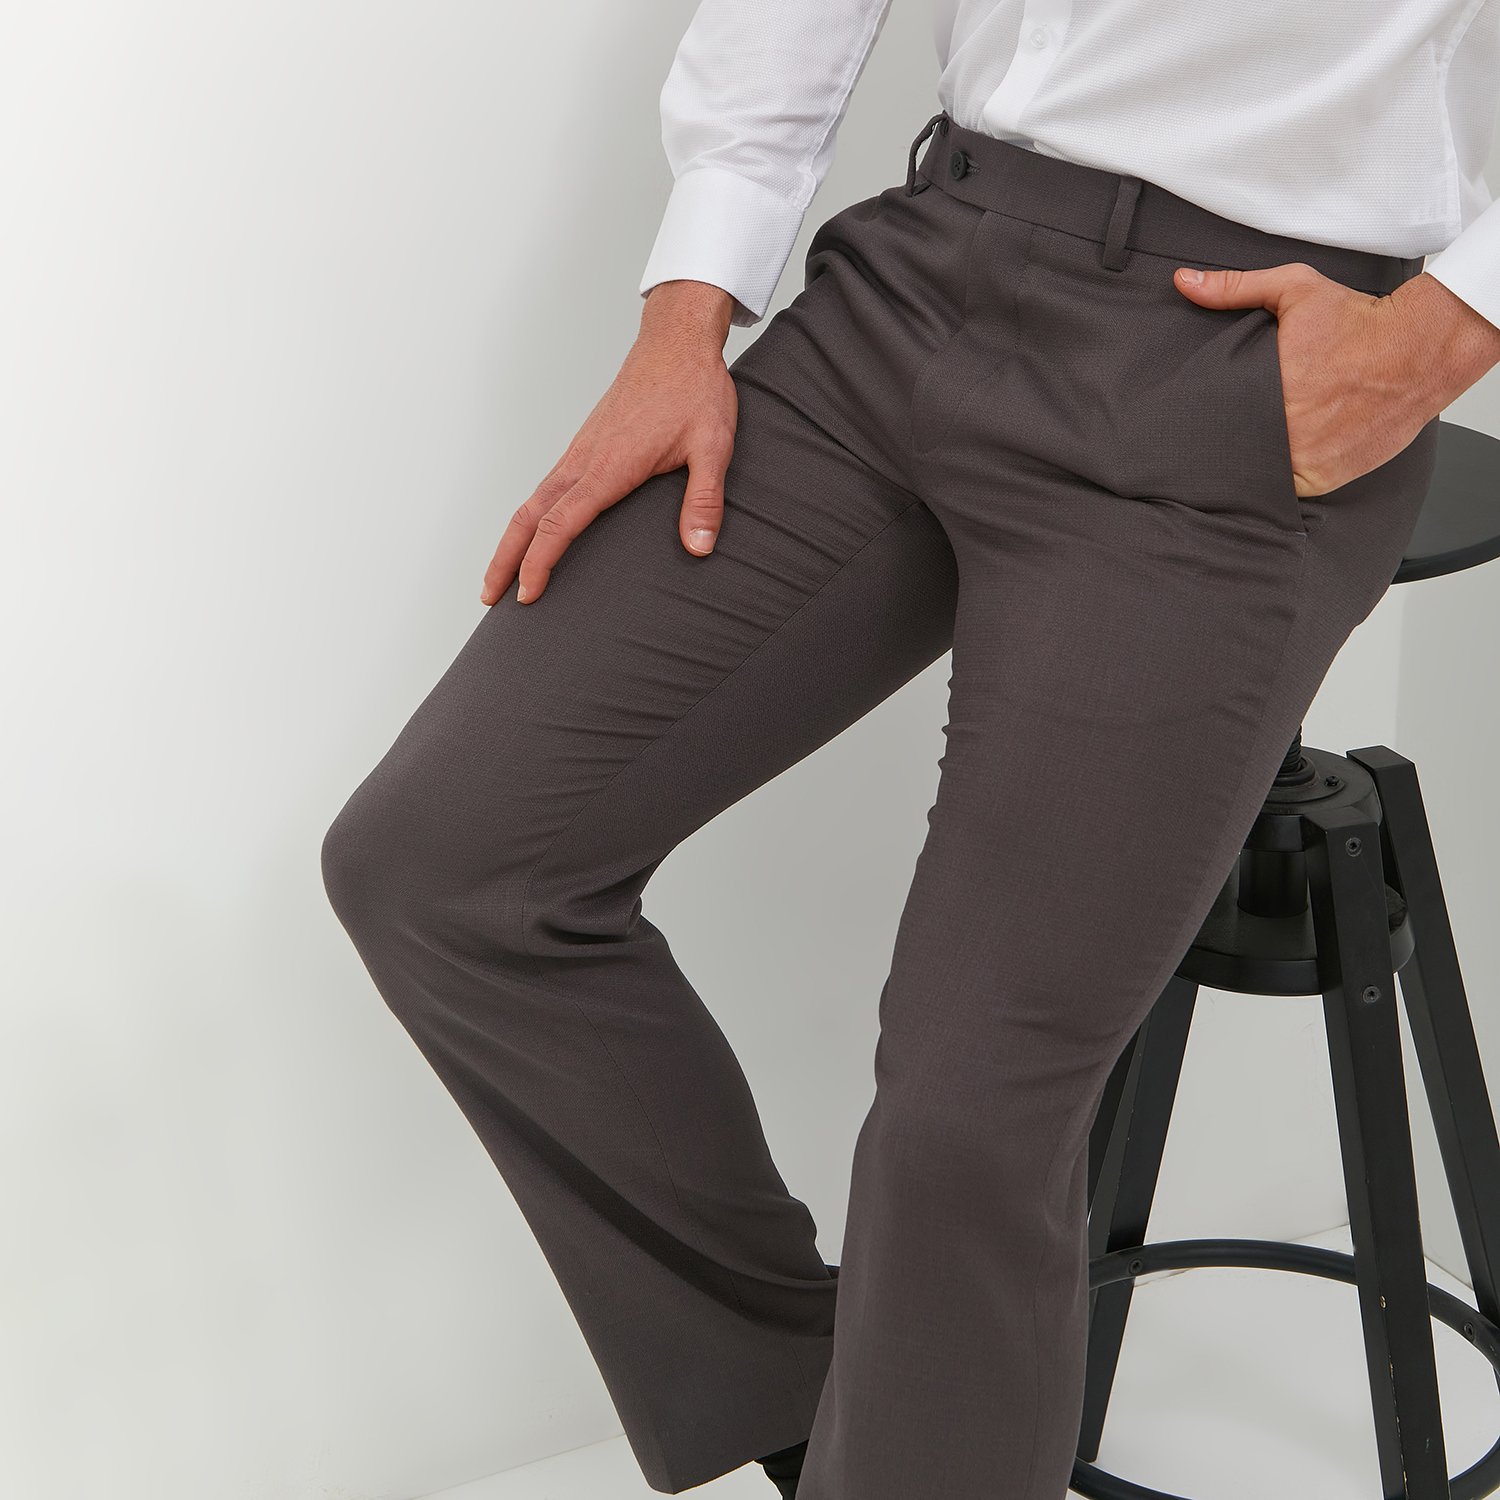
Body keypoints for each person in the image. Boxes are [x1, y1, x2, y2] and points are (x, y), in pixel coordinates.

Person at [320, 4, 1500, 1497]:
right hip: (922, 280)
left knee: (966, 1123)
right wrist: (685, 311)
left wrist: (1444, 334)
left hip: (1247, 350)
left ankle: (913, 1439)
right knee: (446, 864)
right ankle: (839, 1414)